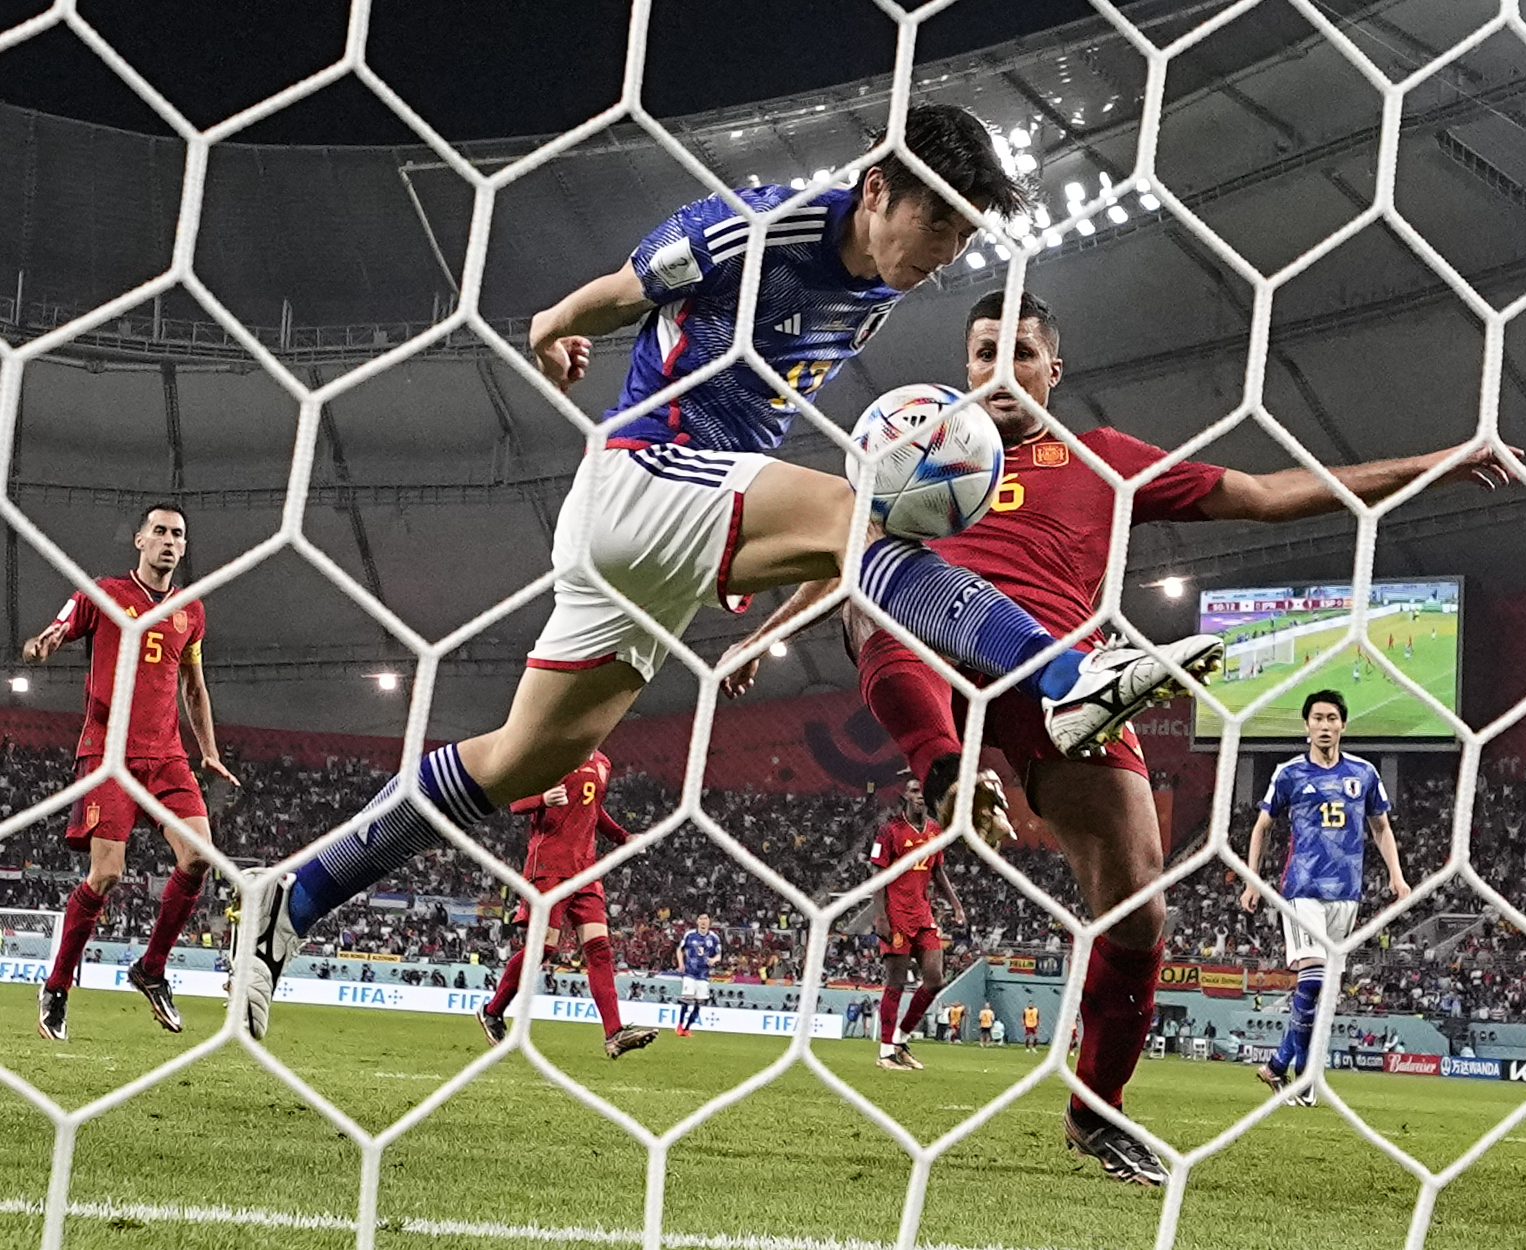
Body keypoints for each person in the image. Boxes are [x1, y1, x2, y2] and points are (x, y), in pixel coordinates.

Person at [241, 107, 1221, 1040]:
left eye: (964, 241)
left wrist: (745, 532)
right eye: (939, 226)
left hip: (668, 529)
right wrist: (554, 323)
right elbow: (625, 288)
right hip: (643, 478)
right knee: (862, 515)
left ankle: (295, 896)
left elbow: (764, 398)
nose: (942, 258)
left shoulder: (879, 293)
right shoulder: (759, 224)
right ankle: (1065, 675)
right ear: (879, 188)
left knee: (521, 760)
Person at [725, 291, 1511, 1185]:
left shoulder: (1103, 460)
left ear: (1053, 370)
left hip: (1066, 685)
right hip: (937, 641)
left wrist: (1441, 464)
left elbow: (1262, 495)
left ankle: (1096, 1110)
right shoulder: (921, 452)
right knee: (885, 605)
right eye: (982, 354)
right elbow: (853, 555)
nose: (998, 373)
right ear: (963, 363)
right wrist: (760, 637)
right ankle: (944, 770)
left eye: (1020, 354)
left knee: (1137, 904)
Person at [24, 505, 239, 1041]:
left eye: (178, 535)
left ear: (184, 548)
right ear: (140, 540)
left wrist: (208, 751)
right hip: (108, 754)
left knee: (199, 857)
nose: (168, 541)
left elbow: (194, 686)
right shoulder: (105, 593)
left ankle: (151, 968)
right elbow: (60, 626)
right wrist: (46, 642)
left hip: (166, 755)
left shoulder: (191, 611)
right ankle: (57, 985)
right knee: (108, 874)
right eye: (160, 531)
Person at [1241, 690, 1409, 1109]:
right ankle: (1292, 1071)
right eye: (1317, 717)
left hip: (1346, 895)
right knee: (1312, 979)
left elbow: (1381, 828)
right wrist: (1251, 881)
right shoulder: (1289, 773)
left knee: (1322, 992)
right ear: (1306, 725)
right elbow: (1261, 827)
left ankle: (1291, 1070)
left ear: (1343, 726)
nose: (1325, 725)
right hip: (1301, 889)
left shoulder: (1365, 773)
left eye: (1332, 717)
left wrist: (1397, 875)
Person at [476, 751, 653, 1058]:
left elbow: (594, 810)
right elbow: (517, 803)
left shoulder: (603, 762)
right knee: (544, 948)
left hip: (586, 870)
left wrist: (623, 838)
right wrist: (542, 799)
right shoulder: (552, 752)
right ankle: (493, 1011)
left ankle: (614, 1034)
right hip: (548, 867)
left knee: (600, 949)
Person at [872, 779, 964, 1071]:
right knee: (896, 982)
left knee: (935, 980)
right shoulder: (889, 831)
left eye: (924, 791)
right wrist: (880, 916)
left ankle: (900, 1040)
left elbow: (937, 871)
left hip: (923, 915)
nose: (920, 796)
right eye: (914, 791)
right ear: (905, 795)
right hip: (896, 914)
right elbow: (878, 875)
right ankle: (885, 1052)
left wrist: (956, 904)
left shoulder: (936, 831)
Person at [674, 914, 722, 1037]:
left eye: (706, 919)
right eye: (701, 919)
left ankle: (687, 1029)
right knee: (687, 998)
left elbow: (719, 955)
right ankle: (679, 1025)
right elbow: (680, 949)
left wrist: (713, 960)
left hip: (703, 974)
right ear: (697, 922)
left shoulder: (714, 938)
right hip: (690, 971)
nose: (703, 922)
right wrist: (681, 964)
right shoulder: (689, 935)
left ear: (709, 922)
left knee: (699, 1002)